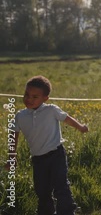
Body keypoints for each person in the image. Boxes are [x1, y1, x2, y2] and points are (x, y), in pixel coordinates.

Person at [9, 75, 89, 215]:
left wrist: (81, 127)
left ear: (45, 98)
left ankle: (67, 212)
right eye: (27, 95)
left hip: (56, 154)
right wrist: (12, 155)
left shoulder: (51, 110)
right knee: (42, 190)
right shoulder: (20, 116)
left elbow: (67, 119)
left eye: (35, 97)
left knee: (61, 186)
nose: (29, 99)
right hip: (38, 160)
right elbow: (13, 135)